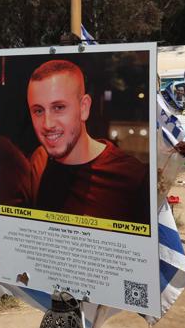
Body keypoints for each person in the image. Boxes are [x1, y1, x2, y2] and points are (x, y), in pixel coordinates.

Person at [25, 59, 149, 224]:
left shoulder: (132, 177)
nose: (48, 124)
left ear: (84, 108)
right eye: (38, 110)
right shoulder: (39, 161)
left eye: (59, 107)